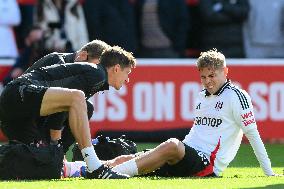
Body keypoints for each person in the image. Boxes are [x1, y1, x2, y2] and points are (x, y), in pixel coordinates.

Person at [64, 49, 279, 178]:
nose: (207, 81)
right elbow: (197, 132)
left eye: (212, 76)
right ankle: (75, 169)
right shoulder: (202, 96)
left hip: (208, 164)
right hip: (189, 155)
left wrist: (268, 171)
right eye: (203, 77)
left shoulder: (236, 96)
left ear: (226, 72)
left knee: (172, 145)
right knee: (134, 156)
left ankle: (111, 177)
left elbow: (253, 135)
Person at [0, 44, 136, 179]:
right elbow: (65, 103)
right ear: (117, 69)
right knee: (78, 98)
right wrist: (55, 144)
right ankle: (94, 166)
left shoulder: (95, 73)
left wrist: (55, 152)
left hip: (20, 101)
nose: (128, 79)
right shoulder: (97, 73)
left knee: (44, 165)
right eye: (127, 73)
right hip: (19, 95)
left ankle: (59, 160)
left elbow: (62, 106)